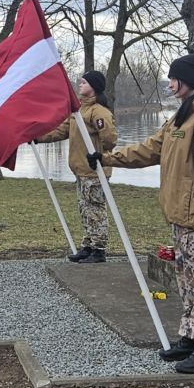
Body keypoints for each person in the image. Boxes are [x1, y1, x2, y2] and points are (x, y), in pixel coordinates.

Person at [93, 53, 194, 374]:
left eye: (174, 79)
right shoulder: (180, 117)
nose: (169, 84)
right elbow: (149, 149)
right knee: (185, 277)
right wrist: (106, 158)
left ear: (189, 81)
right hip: (179, 213)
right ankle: (189, 336)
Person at [35, 70, 117, 263]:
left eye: (84, 82)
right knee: (85, 209)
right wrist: (37, 137)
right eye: (80, 82)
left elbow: (111, 139)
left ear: (94, 87)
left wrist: (100, 153)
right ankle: (87, 245)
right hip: (81, 171)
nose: (80, 84)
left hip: (94, 171)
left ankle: (99, 249)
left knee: (95, 210)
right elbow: (62, 131)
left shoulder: (99, 112)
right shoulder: (79, 111)